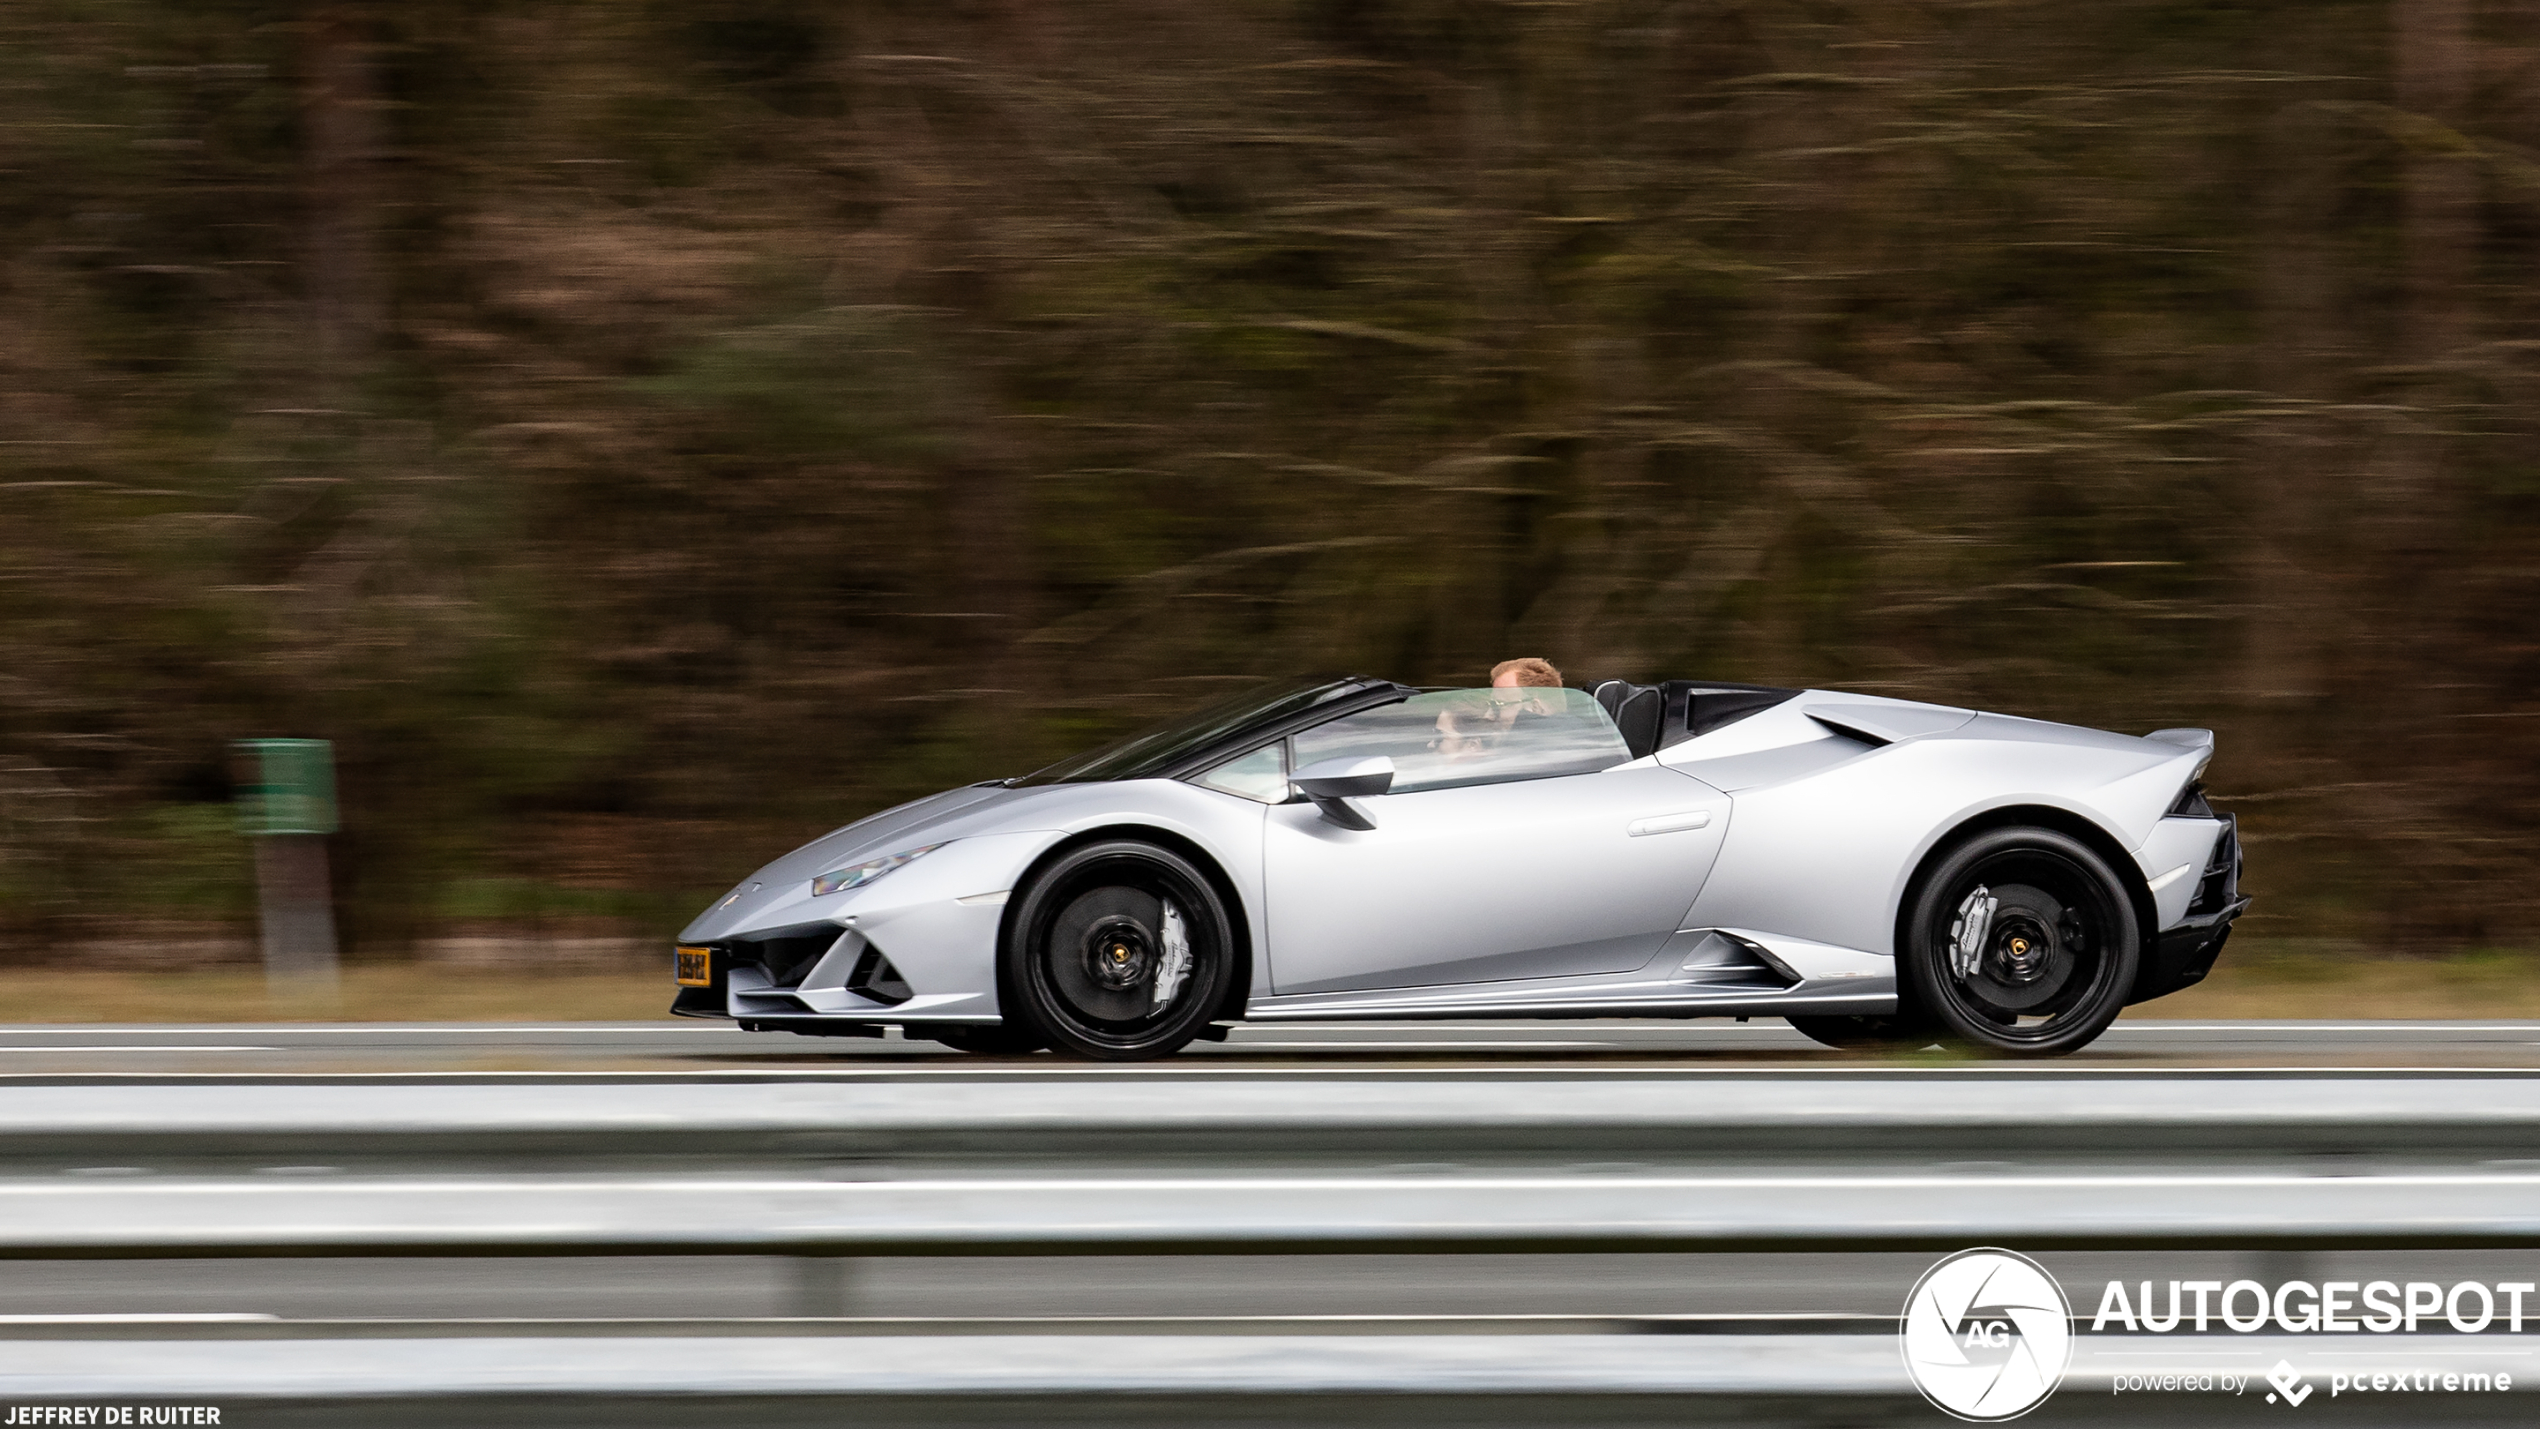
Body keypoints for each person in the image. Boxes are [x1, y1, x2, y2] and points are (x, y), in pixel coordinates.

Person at [1433, 656, 1566, 761]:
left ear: (1535, 708)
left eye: (1499, 705)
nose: (1490, 715)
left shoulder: (1545, 757)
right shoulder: (1566, 742)